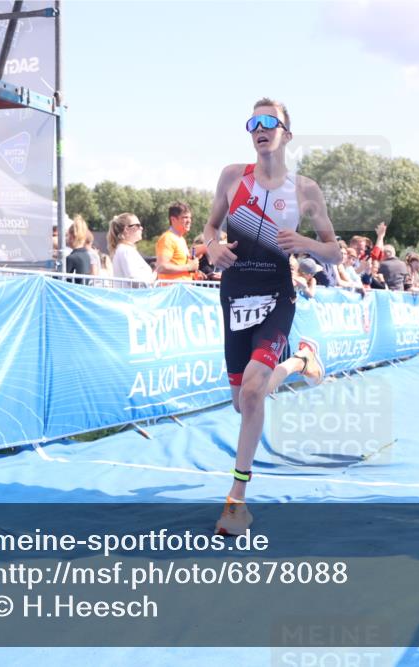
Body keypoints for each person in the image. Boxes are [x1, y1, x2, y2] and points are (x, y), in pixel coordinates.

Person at [202, 98, 343, 535]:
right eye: (253, 122)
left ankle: (235, 503)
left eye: (269, 122)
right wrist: (210, 247)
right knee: (244, 401)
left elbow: (334, 250)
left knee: (252, 391)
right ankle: (301, 362)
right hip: (235, 292)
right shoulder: (232, 176)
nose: (260, 128)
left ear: (286, 132)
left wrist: (304, 242)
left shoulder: (306, 190)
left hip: (277, 294)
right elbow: (210, 228)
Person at [156, 201, 200, 281]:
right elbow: (161, 267)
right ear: (173, 219)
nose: (189, 221)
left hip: (181, 290)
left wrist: (196, 274)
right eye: (185, 217)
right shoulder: (167, 238)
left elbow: (180, 265)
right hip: (172, 291)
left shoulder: (181, 239)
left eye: (190, 218)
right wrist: (189, 267)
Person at [108, 213, 154, 285]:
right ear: (126, 229)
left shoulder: (124, 249)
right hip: (131, 295)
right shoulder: (125, 250)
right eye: (137, 225)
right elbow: (133, 280)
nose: (141, 228)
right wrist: (153, 278)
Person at [64, 215, 93, 284]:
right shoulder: (86, 255)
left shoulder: (71, 258)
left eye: (67, 235)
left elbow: (59, 279)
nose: (66, 238)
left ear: (72, 236)